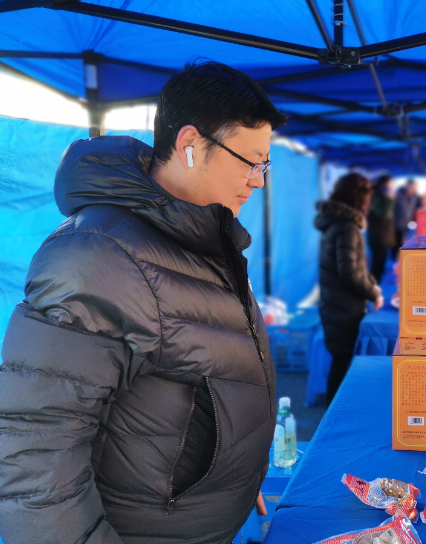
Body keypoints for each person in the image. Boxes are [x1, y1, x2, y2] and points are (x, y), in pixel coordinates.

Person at [0, 61, 287, 543]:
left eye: (266, 164)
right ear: (191, 144)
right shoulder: (98, 256)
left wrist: (235, 476)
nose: (259, 180)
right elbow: (31, 448)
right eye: (251, 161)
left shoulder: (204, 237)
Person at [316, 173, 383, 403]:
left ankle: (333, 413)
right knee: (342, 364)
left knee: (341, 362)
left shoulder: (337, 224)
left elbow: (353, 268)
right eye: (366, 197)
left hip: (336, 304)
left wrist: (372, 286)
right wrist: (373, 292)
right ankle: (333, 420)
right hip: (342, 308)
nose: (368, 203)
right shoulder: (347, 228)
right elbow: (350, 274)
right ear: (357, 198)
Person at [367, 174, 395, 282]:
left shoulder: (380, 195)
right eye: (389, 184)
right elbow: (383, 214)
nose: (390, 187)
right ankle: (373, 286)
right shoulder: (376, 196)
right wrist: (389, 199)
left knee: (381, 263)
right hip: (378, 235)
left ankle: (375, 285)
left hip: (382, 234)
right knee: (377, 264)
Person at [393, 178, 421, 259]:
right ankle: (395, 260)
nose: (412, 189)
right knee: (397, 244)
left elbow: (416, 209)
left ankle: (401, 259)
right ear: (407, 186)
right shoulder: (398, 195)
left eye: (414, 187)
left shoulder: (414, 197)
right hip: (397, 224)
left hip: (407, 224)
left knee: (405, 242)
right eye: (411, 187)